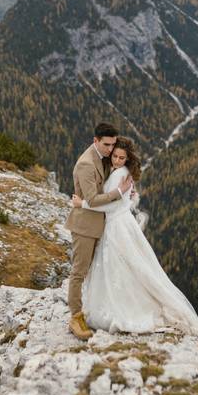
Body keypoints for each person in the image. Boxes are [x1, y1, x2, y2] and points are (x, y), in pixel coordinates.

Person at [72, 137, 198, 339]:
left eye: (121, 157)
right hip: (121, 223)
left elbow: (111, 205)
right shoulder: (123, 173)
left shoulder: (119, 173)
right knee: (128, 266)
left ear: (128, 159)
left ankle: (120, 307)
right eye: (115, 156)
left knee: (118, 267)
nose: (117, 160)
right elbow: (128, 199)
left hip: (115, 226)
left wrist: (82, 204)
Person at [64, 122, 133, 341]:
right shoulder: (86, 164)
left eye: (113, 145)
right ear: (95, 141)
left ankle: (92, 308)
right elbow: (92, 199)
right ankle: (75, 316)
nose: (110, 149)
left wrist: (129, 188)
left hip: (100, 224)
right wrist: (119, 192)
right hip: (85, 226)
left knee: (94, 270)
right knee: (79, 271)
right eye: (106, 145)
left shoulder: (102, 157)